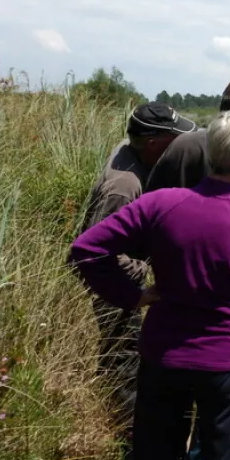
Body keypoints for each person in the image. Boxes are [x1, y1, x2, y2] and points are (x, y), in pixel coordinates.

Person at [69, 110, 230, 460]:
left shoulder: (160, 204)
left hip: (164, 353)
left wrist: (133, 296)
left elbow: (86, 250)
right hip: (226, 362)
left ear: (209, 151)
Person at [144, 74, 230, 460]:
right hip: (228, 301)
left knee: (172, 390)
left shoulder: (180, 146)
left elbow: (148, 211)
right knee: (220, 394)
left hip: (172, 292)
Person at [80, 101, 197, 426]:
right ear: (153, 143)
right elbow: (94, 249)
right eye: (175, 139)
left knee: (120, 352)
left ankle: (112, 418)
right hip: (113, 282)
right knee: (125, 356)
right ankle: (128, 439)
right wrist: (142, 274)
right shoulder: (125, 185)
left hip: (122, 278)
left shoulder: (133, 151)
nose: (180, 145)